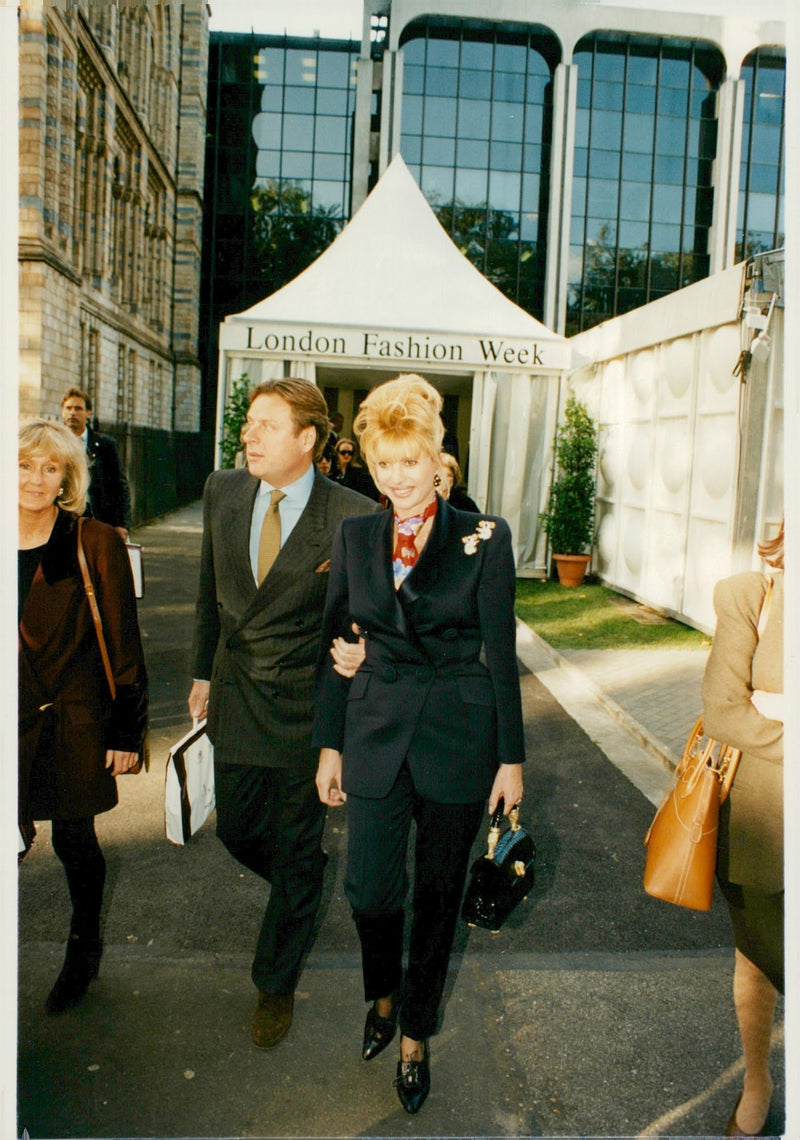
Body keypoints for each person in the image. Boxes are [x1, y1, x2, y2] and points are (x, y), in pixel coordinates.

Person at [313, 374, 525, 1114]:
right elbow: (337, 634)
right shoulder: (355, 535)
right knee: (369, 889)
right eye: (383, 464)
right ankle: (381, 992)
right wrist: (329, 744)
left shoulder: (483, 537)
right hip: (372, 730)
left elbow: (501, 651)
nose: (397, 479)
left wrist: (512, 759)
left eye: (411, 462)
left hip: (458, 737)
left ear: (439, 459)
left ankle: (415, 1031)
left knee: (436, 898)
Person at [187, 378, 378, 1050]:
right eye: (249, 423)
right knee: (238, 830)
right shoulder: (223, 489)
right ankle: (302, 885)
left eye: (267, 425)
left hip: (305, 706)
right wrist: (198, 671)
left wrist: (353, 689)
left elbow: (364, 617)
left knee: (295, 847)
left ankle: (273, 983)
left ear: (308, 439)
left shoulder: (354, 514)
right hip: (237, 691)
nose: (249, 435)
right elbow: (209, 588)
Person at [18, 418, 148, 1014]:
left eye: (51, 468)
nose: (36, 479)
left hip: (71, 716)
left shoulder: (93, 540)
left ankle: (83, 943)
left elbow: (123, 641)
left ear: (69, 477)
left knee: (75, 840)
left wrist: (126, 729)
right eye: (23, 465)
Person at [702, 523, 784, 1138]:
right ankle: (758, 1082)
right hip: (765, 821)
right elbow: (726, 711)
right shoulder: (751, 593)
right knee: (758, 963)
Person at [61, 387, 131, 540]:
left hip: (98, 520)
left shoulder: (105, 445)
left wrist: (121, 524)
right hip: (62, 520)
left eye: (78, 408)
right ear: (62, 411)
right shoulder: (54, 443)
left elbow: (119, 485)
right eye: (68, 408)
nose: (72, 413)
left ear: (88, 413)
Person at [332, 436, 380, 500]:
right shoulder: (332, 471)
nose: (347, 455)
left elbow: (370, 492)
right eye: (343, 452)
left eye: (350, 453)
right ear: (337, 453)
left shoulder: (359, 472)